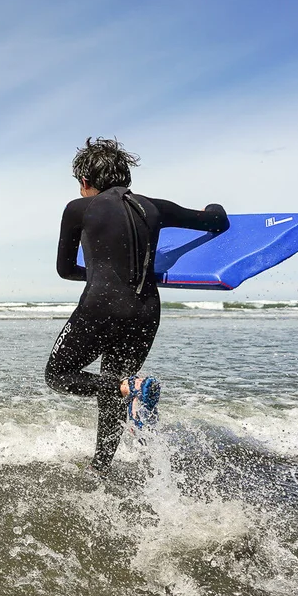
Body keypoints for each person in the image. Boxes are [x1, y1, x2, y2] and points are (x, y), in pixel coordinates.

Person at [45, 138, 229, 472]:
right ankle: (101, 464)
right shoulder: (155, 207)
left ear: (86, 182)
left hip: (101, 307)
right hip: (146, 311)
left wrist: (101, 272)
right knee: (112, 386)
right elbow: (216, 221)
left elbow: (66, 270)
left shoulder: (78, 208)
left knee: (59, 375)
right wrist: (214, 207)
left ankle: (131, 389)